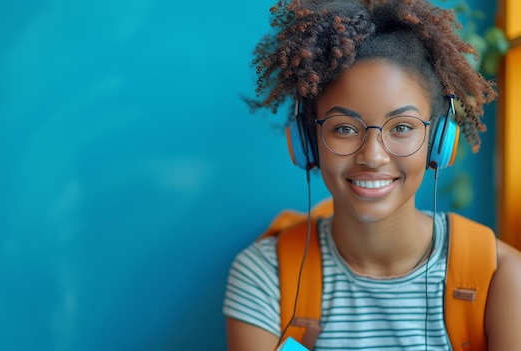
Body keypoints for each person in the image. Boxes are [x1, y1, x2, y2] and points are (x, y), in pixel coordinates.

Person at [223, 0, 521, 350]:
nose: (373, 156)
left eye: (402, 127)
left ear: (440, 142)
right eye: (345, 128)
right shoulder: (264, 276)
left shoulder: (501, 277)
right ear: (307, 142)